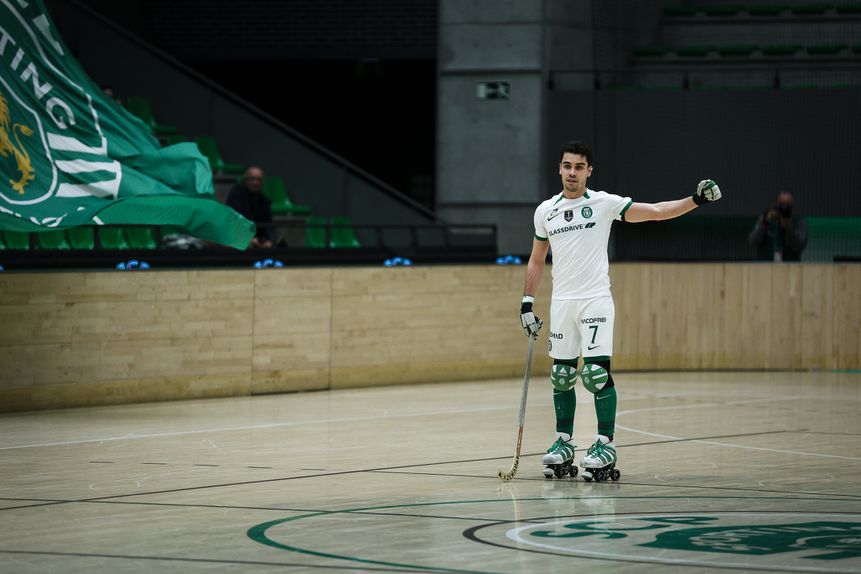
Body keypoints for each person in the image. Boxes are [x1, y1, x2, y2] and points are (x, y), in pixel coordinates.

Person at [519, 141, 722, 480]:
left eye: (579, 166)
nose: (572, 172)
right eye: (567, 166)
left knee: (595, 375)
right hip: (562, 302)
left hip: (595, 299)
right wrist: (527, 302)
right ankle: (564, 441)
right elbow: (537, 259)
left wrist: (696, 200)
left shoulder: (603, 203)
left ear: (589, 171)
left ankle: (604, 443)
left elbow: (657, 212)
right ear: (559, 169)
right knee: (562, 376)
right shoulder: (545, 211)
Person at [748, 191, 807, 261]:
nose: (784, 208)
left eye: (787, 204)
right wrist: (765, 223)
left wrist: (789, 228)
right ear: (776, 204)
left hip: (790, 267)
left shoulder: (798, 221)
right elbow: (753, 241)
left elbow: (798, 246)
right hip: (766, 267)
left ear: (792, 205)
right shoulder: (767, 217)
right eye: (781, 204)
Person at [226, 166, 273, 249]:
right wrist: (248, 238)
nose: (256, 182)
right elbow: (235, 220)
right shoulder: (236, 195)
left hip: (256, 241)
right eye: (252, 179)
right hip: (236, 237)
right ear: (246, 180)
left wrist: (269, 240)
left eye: (259, 180)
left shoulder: (265, 200)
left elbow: (268, 223)